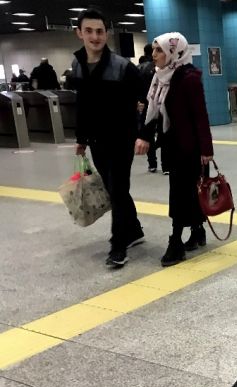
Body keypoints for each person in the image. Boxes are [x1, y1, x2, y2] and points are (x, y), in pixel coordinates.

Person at [71, 8, 145, 268]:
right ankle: (134, 229)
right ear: (79, 33)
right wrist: (80, 138)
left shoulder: (122, 67)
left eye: (100, 31)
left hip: (122, 138)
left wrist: (143, 133)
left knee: (118, 189)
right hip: (96, 141)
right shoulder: (78, 65)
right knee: (115, 189)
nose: (95, 36)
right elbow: (81, 105)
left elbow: (147, 96)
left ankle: (118, 245)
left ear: (107, 34)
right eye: (89, 31)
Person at [136, 32, 215, 267]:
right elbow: (154, 112)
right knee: (189, 193)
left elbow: (200, 116)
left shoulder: (188, 78)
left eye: (159, 50)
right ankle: (198, 231)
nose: (154, 55)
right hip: (172, 146)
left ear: (174, 51)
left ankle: (176, 242)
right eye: (153, 50)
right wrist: (144, 136)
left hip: (190, 150)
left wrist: (206, 150)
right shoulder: (159, 78)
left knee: (180, 195)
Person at [137, 43, 168, 174]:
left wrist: (139, 101)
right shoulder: (160, 68)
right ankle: (166, 166)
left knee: (147, 134)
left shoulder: (139, 68)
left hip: (146, 106)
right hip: (161, 105)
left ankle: (152, 164)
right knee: (164, 133)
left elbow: (136, 88)